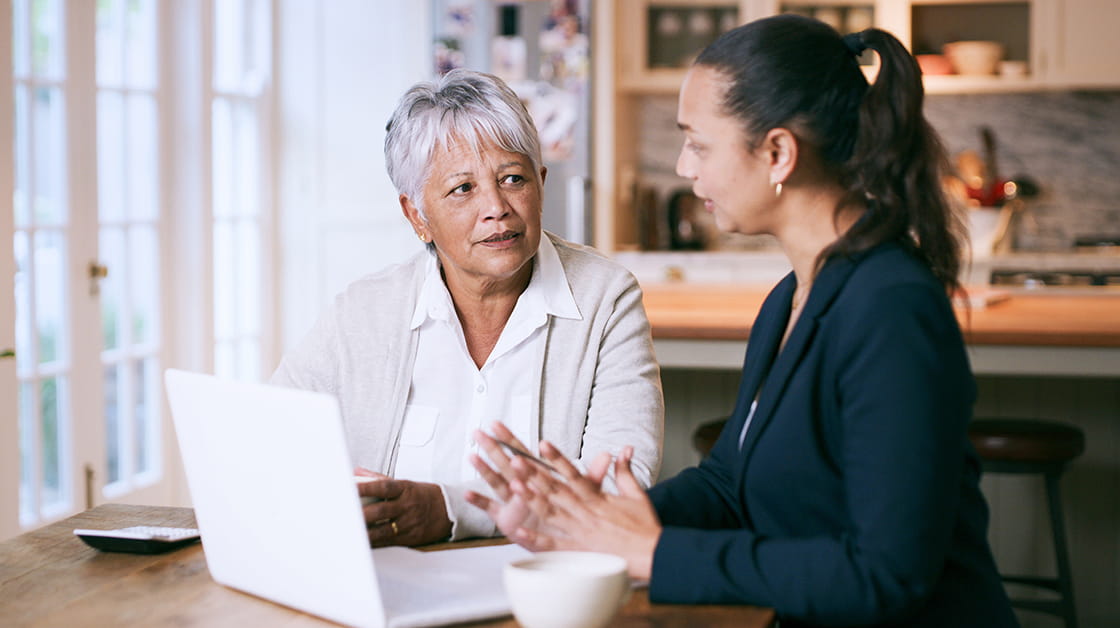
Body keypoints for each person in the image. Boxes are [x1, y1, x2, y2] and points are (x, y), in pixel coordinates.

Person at [468, 15, 1018, 627]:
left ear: (778, 153)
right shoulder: (791, 297)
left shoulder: (891, 307)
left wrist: (652, 552)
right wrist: (594, 516)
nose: (682, 165)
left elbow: (886, 573)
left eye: (699, 144)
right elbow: (731, 481)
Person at [270, 69, 663, 548]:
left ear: (540, 184)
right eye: (463, 189)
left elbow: (623, 479)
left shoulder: (606, 297)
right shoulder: (364, 312)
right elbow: (273, 439)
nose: (496, 207)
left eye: (513, 179)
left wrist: (451, 510)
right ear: (417, 215)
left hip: (547, 589)